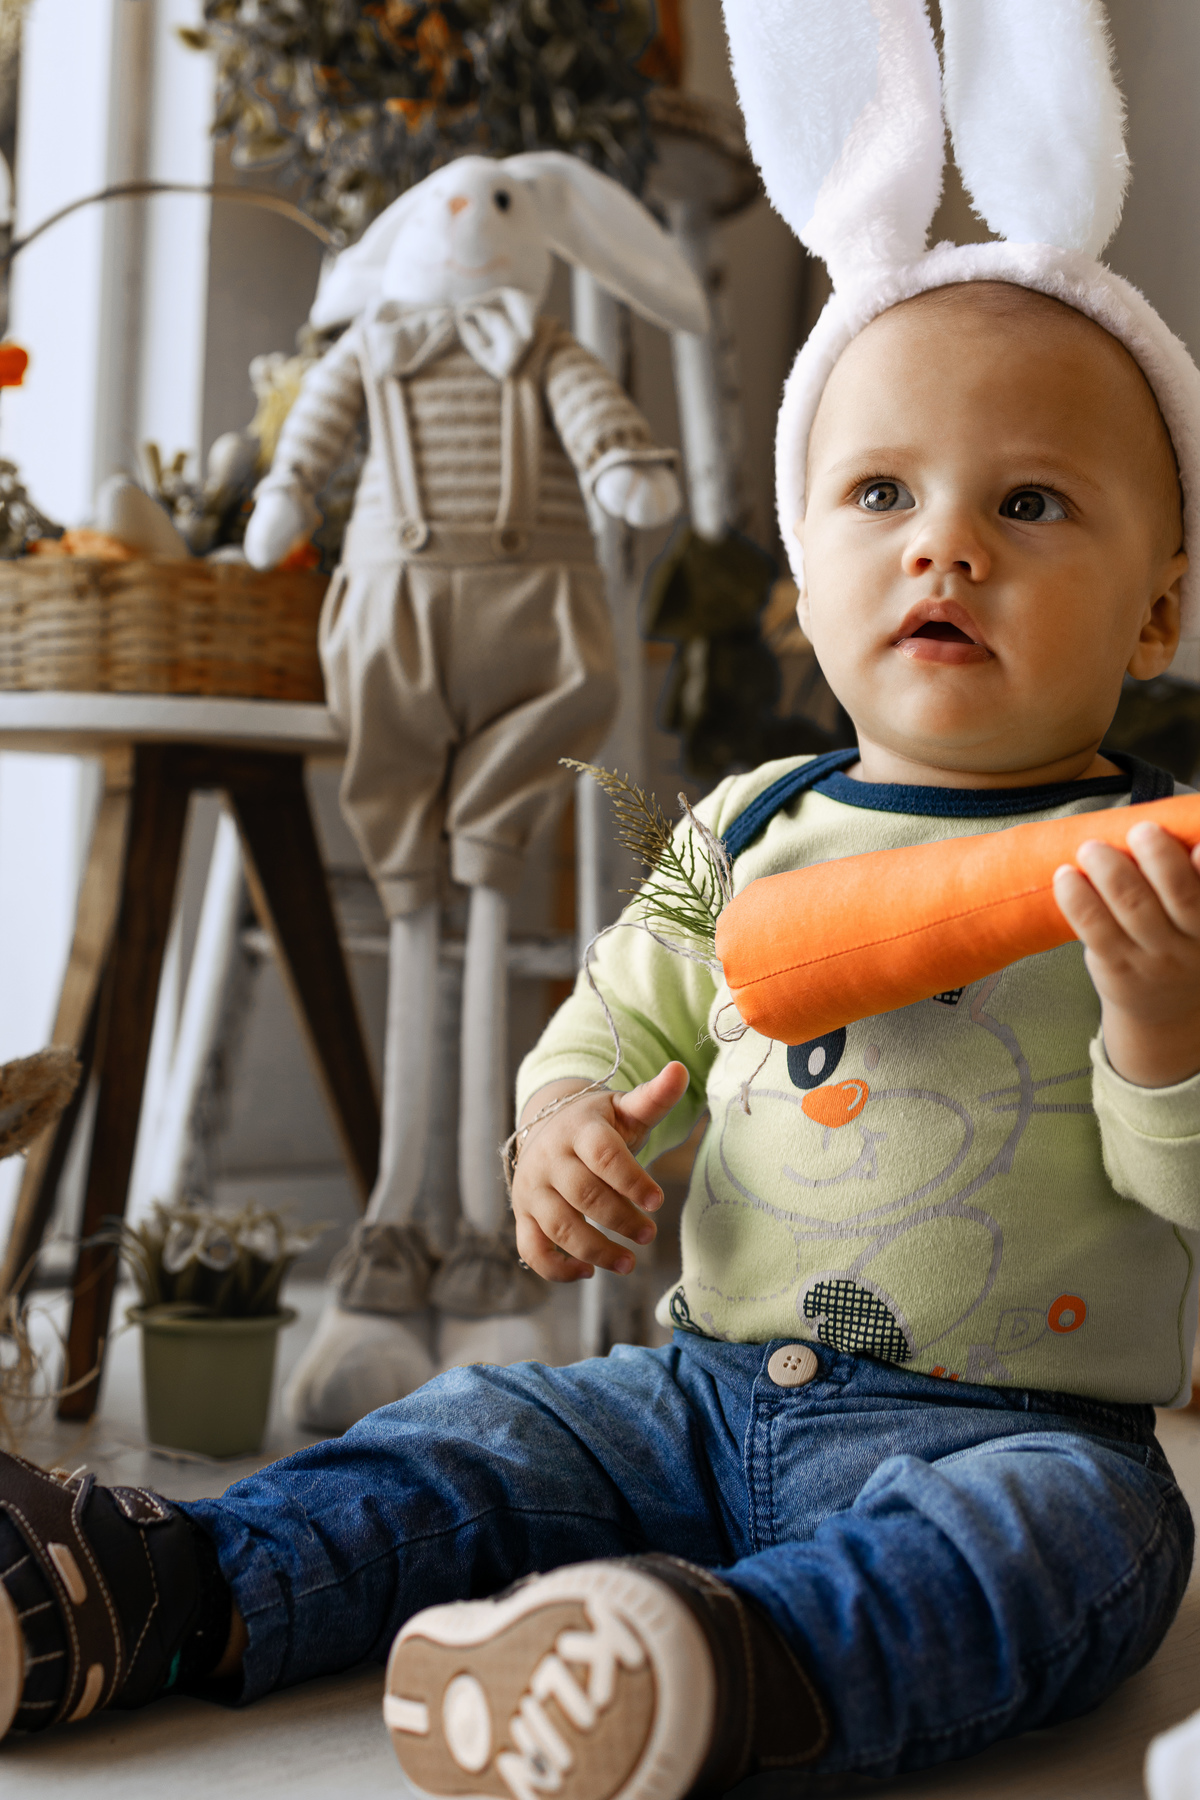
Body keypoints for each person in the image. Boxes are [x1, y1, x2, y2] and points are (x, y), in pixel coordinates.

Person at [4, 6, 1200, 1792]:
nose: (945, 542)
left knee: (1075, 1546)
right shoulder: (740, 829)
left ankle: (711, 1669)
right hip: (697, 1396)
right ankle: (155, 1591)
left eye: (1030, 502)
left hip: (1016, 1431)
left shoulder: (1158, 869)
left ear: (1159, 608)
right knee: (481, 1431)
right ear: (807, 572)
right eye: (882, 492)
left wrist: (1163, 1033)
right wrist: (562, 1134)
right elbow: (606, 1030)